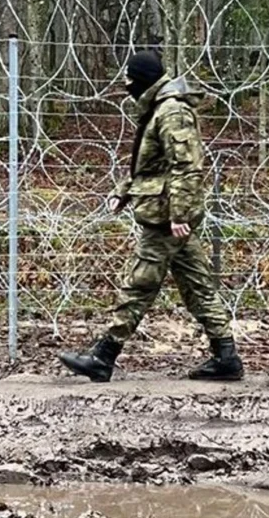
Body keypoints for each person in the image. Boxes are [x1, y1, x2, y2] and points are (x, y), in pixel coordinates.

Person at [58, 50, 244, 383]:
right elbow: (149, 165)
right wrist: (124, 191)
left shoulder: (172, 112)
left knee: (140, 285)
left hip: (165, 217)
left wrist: (179, 213)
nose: (125, 83)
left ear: (143, 79)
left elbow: (186, 166)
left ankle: (104, 356)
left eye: (129, 77)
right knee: (197, 284)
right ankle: (226, 357)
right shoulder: (158, 108)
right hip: (163, 209)